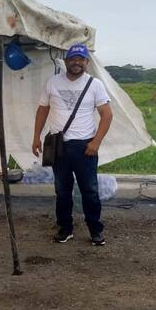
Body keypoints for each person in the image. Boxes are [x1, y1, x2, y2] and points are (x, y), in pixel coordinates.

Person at [32, 43, 113, 246]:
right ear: (66, 61)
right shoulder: (52, 82)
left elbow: (107, 115)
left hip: (85, 146)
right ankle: (65, 228)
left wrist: (96, 142)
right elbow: (43, 109)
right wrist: (36, 136)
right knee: (62, 190)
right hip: (58, 145)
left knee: (90, 191)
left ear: (86, 62)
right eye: (73, 59)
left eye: (81, 59)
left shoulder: (95, 85)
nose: (76, 62)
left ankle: (95, 230)